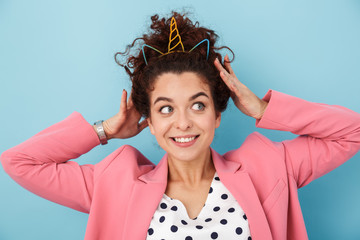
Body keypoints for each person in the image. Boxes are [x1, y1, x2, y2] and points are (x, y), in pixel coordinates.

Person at [1, 12, 360, 240]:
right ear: (151, 123)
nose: (183, 122)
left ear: (218, 115)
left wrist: (262, 108)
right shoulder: (115, 183)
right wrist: (106, 130)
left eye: (198, 105)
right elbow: (19, 162)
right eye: (166, 109)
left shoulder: (267, 168)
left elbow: (352, 132)